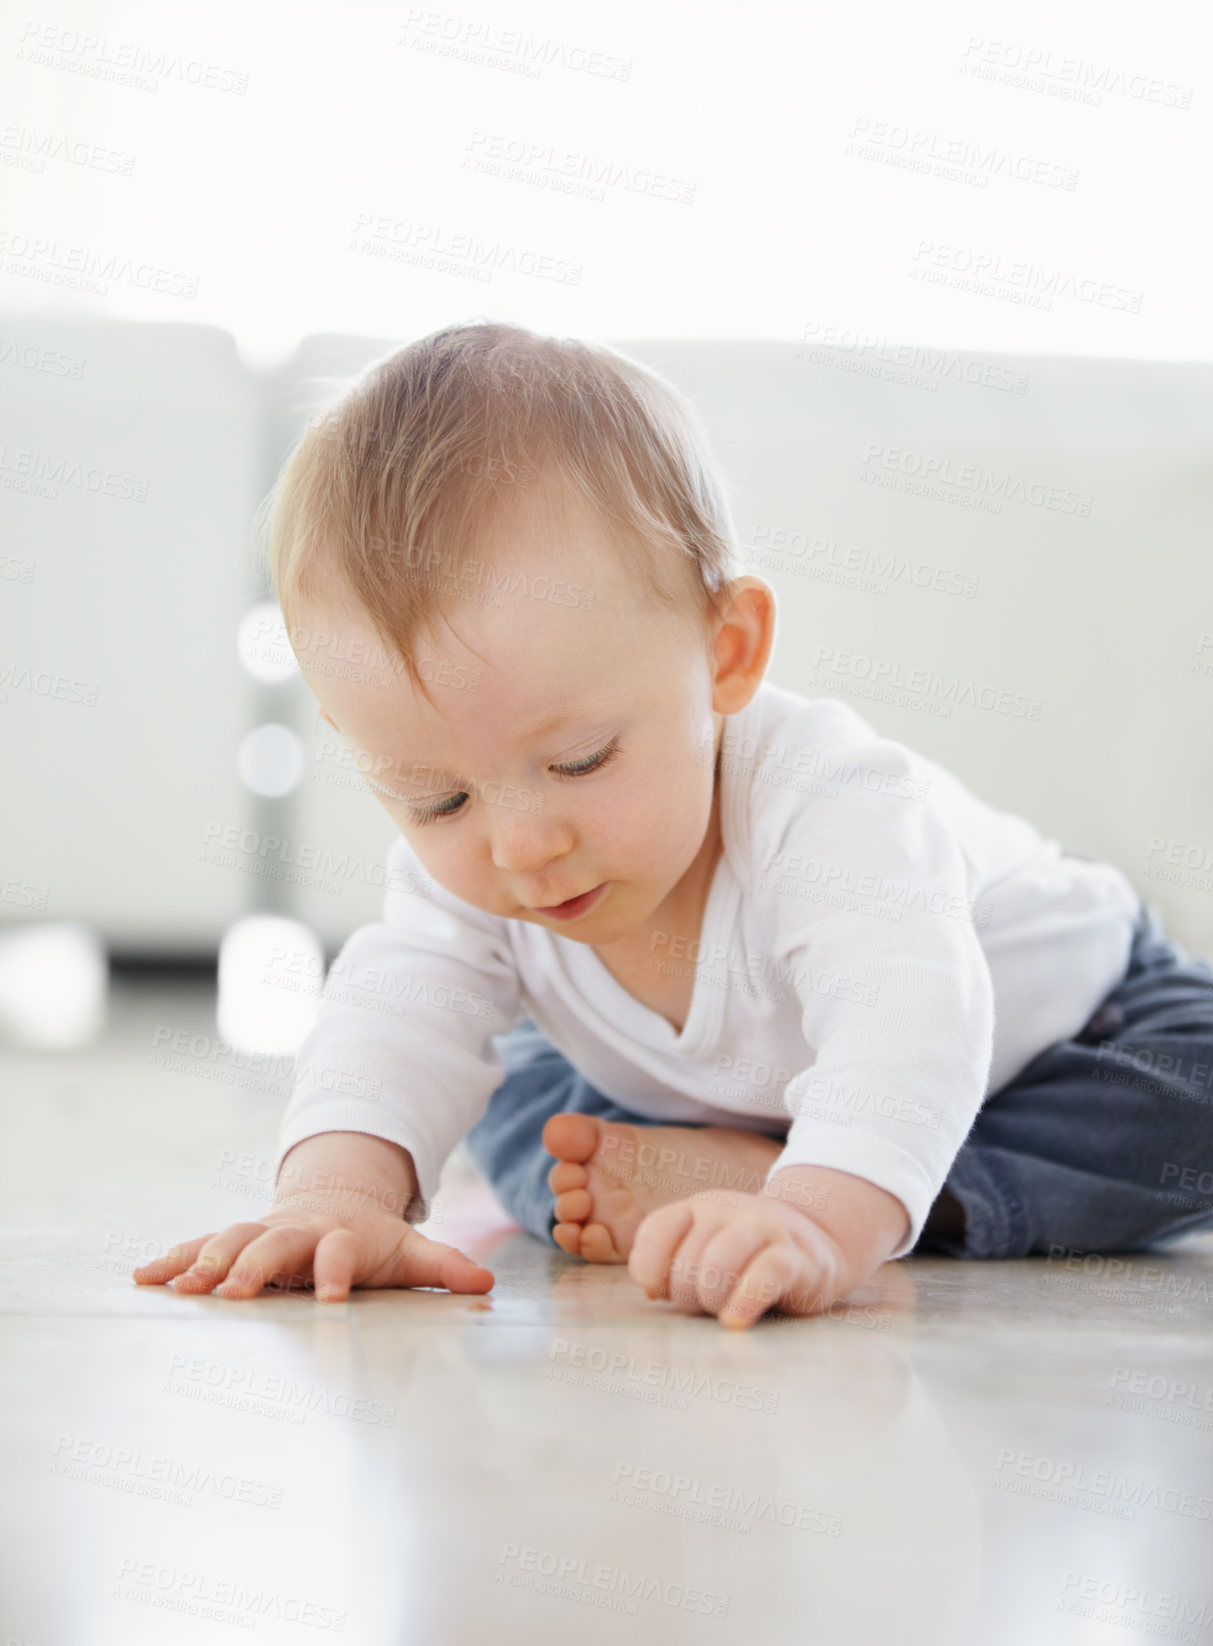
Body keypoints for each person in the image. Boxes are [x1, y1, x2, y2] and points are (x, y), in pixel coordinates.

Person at [134, 320, 1213, 1329]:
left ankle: (832, 1184)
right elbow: (398, 1011)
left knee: (1187, 1109)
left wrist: (814, 1217)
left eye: (579, 760)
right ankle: (749, 1164)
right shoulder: (481, 870)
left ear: (726, 653)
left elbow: (910, 1009)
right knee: (523, 1099)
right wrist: (334, 1193)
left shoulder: (827, 801)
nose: (521, 846)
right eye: (437, 799)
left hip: (1070, 1033)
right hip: (698, 1090)